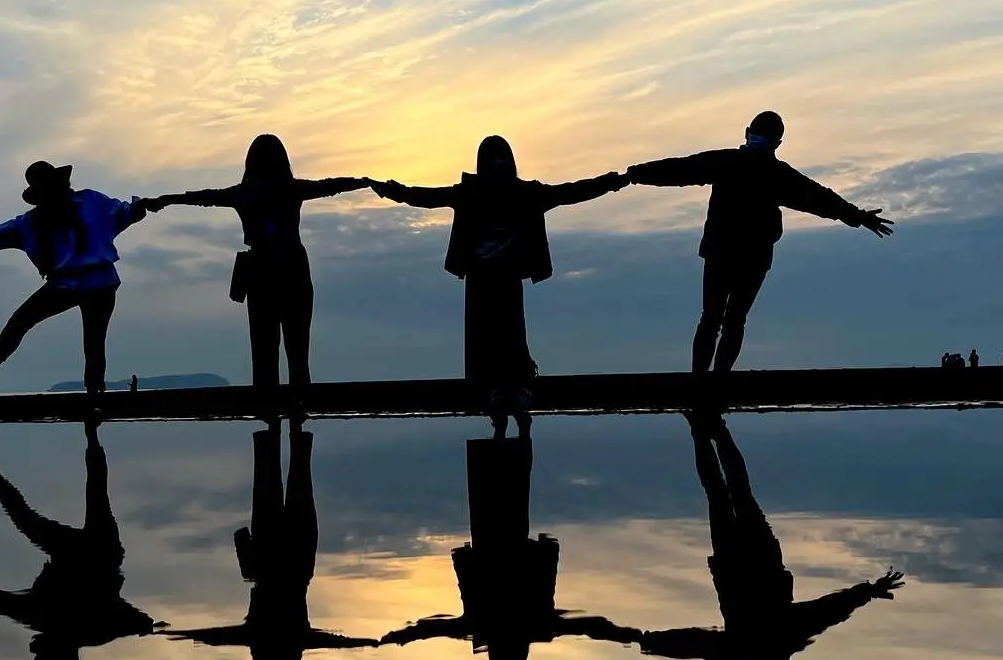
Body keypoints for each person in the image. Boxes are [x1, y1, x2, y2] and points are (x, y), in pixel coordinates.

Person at [634, 413, 903, 660]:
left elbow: (833, 609)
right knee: (723, 495)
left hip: (749, 559)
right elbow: (695, 645)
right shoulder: (751, 646)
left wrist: (870, 591)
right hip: (741, 560)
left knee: (735, 495)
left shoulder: (786, 637)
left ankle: (712, 429)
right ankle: (704, 430)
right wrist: (649, 642)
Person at [372, 137, 627, 436]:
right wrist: (611, 182)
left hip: (493, 278)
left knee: (498, 335)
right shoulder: (511, 193)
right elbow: (571, 192)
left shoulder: (489, 193)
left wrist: (393, 191)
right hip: (493, 277)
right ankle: (507, 394)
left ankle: (507, 394)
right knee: (501, 334)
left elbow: (427, 197)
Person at [627, 111, 893, 374]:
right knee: (729, 320)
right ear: (777, 143)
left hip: (730, 253)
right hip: (745, 255)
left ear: (748, 133)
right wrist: (858, 217)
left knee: (715, 319)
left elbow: (680, 169)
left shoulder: (736, 164)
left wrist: (633, 175)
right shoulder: (772, 173)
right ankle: (713, 381)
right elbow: (819, 198)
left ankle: (705, 381)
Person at [381, 438, 638, 660]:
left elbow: (588, 627)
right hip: (496, 547)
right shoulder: (506, 628)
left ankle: (511, 440)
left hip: (500, 548)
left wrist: (400, 637)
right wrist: (401, 636)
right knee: (499, 490)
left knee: (504, 490)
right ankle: (511, 440)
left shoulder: (530, 628)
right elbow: (589, 627)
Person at [146, 135, 370, 398]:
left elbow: (204, 198)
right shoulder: (291, 189)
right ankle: (300, 424)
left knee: (264, 356)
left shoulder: (244, 193)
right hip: (293, 269)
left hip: (261, 272)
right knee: (298, 354)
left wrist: (165, 199)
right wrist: (366, 183)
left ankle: (268, 428)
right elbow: (330, 186)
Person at [167, 424, 375, 660]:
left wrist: (377, 641)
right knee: (274, 478)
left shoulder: (291, 641)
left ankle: (288, 423)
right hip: (272, 559)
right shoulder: (258, 640)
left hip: (296, 564)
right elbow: (215, 637)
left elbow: (215, 637)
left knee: (296, 476)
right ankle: (279, 423)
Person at [0, 420, 161, 660]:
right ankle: (88, 436)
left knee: (91, 493)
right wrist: (146, 626)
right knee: (71, 503)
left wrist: (145, 626)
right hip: (93, 554)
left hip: (94, 553)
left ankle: (90, 435)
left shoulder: (70, 627)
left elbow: (137, 622)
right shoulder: (72, 626)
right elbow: (137, 622)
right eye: (41, 651)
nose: (36, 644)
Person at [0, 162, 151, 396]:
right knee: (22, 318)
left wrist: (144, 205)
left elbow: (125, 212)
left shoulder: (90, 202)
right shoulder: (33, 221)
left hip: (99, 281)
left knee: (93, 340)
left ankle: (94, 393)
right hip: (63, 284)